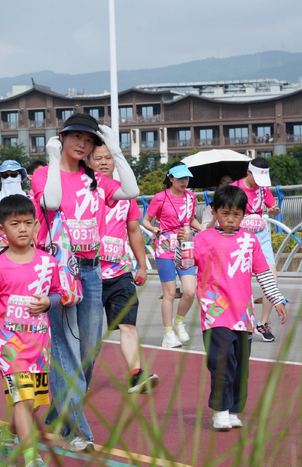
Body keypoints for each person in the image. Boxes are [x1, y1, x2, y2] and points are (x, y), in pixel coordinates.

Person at [32, 113, 138, 450]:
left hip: (91, 272)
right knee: (67, 349)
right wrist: (53, 159)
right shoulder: (43, 174)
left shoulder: (96, 180)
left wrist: (116, 151)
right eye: (76, 136)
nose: (83, 144)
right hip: (58, 272)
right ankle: (78, 431)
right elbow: (50, 202)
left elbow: (132, 191)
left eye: (89, 140)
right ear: (61, 138)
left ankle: (62, 413)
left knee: (88, 352)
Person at [175, 185, 287, 430]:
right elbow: (184, 265)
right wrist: (182, 245)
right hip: (215, 313)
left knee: (240, 367)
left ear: (244, 215)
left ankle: (234, 409)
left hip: (244, 315)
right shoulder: (203, 238)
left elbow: (263, 273)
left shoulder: (250, 240)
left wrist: (276, 298)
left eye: (237, 214)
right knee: (221, 362)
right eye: (225, 213)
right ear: (214, 212)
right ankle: (221, 410)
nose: (230, 219)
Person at [0, 195, 61, 467]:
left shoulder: (48, 262)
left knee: (32, 403)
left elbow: (58, 293)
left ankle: (5, 435)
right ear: (1, 229)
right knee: (23, 400)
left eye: (28, 223)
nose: (23, 229)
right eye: (15, 224)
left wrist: (49, 302)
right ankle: (31, 458)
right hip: (9, 348)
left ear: (36, 225)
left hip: (39, 345)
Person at [87, 145, 159, 393]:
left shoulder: (126, 195)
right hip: (89, 275)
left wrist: (142, 265)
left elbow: (134, 230)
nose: (104, 162)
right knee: (90, 335)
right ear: (88, 162)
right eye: (98, 158)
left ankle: (136, 375)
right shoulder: (82, 193)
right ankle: (79, 379)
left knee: (128, 325)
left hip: (120, 274)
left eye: (108, 158)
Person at [142, 162, 204, 348]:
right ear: (170, 178)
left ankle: (179, 321)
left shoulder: (191, 197)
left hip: (185, 246)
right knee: (169, 293)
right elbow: (146, 220)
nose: (184, 182)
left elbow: (190, 219)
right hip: (165, 248)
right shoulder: (160, 198)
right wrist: (153, 229)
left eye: (186, 178)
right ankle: (168, 334)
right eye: (180, 178)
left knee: (190, 291)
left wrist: (204, 231)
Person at [230, 158, 282, 342]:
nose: (259, 183)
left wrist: (274, 210)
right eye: (257, 178)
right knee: (238, 283)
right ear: (248, 172)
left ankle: (263, 323)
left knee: (272, 281)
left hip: (261, 237)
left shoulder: (263, 189)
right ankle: (239, 322)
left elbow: (272, 207)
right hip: (239, 238)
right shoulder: (234, 189)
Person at [0, 160, 34, 266]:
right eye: (5, 175)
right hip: (2, 249)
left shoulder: (30, 199)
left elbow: (36, 228)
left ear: (20, 176)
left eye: (14, 174)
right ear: (1, 178)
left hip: (28, 247)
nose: (9, 178)